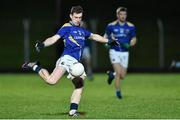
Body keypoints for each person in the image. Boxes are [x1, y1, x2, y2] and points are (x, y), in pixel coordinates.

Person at [22, 5, 116, 116]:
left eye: (80, 17)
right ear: (71, 16)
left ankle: (72, 111)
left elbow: (94, 36)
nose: (78, 20)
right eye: (76, 17)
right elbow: (54, 38)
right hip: (66, 59)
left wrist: (108, 41)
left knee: (79, 86)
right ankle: (34, 66)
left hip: (76, 63)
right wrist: (43, 44)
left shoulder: (82, 30)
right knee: (51, 81)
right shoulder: (66, 27)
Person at [104, 7, 137, 99]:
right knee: (118, 72)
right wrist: (107, 43)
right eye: (121, 14)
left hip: (125, 53)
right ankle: (118, 93)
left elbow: (134, 38)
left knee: (122, 75)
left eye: (124, 14)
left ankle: (112, 74)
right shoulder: (111, 25)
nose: (123, 16)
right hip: (114, 51)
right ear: (117, 15)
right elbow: (105, 36)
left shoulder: (131, 26)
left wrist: (130, 44)